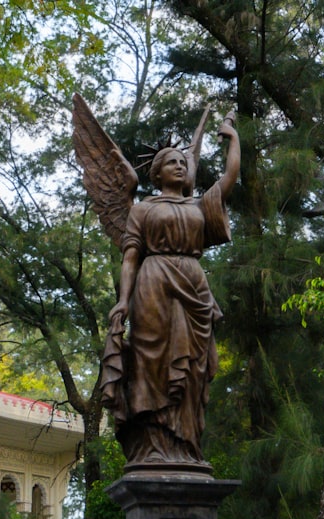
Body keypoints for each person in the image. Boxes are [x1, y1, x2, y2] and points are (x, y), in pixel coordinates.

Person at [101, 114, 240, 470]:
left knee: (193, 367)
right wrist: (123, 300)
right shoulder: (143, 209)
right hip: (153, 284)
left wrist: (232, 138)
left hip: (194, 286)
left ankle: (187, 447)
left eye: (183, 162)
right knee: (152, 362)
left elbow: (229, 179)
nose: (178, 166)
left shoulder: (198, 206)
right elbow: (131, 258)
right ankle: (152, 446)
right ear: (157, 173)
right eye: (171, 163)